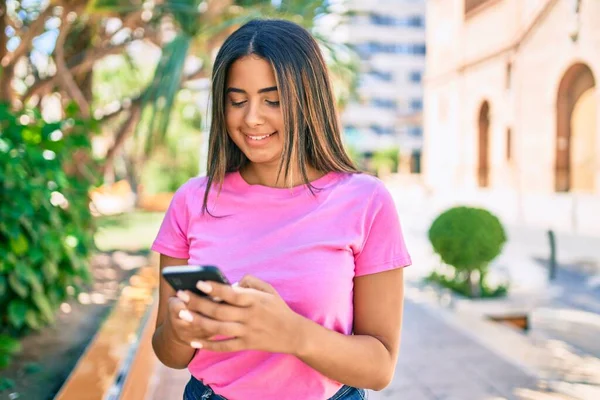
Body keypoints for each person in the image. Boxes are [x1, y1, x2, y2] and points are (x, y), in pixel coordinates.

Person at [151, 19, 411, 400]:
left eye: (272, 100)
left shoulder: (366, 201)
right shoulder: (192, 201)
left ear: (308, 100)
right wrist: (179, 329)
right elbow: (169, 354)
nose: (251, 117)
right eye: (237, 100)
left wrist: (289, 332)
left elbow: (380, 367)